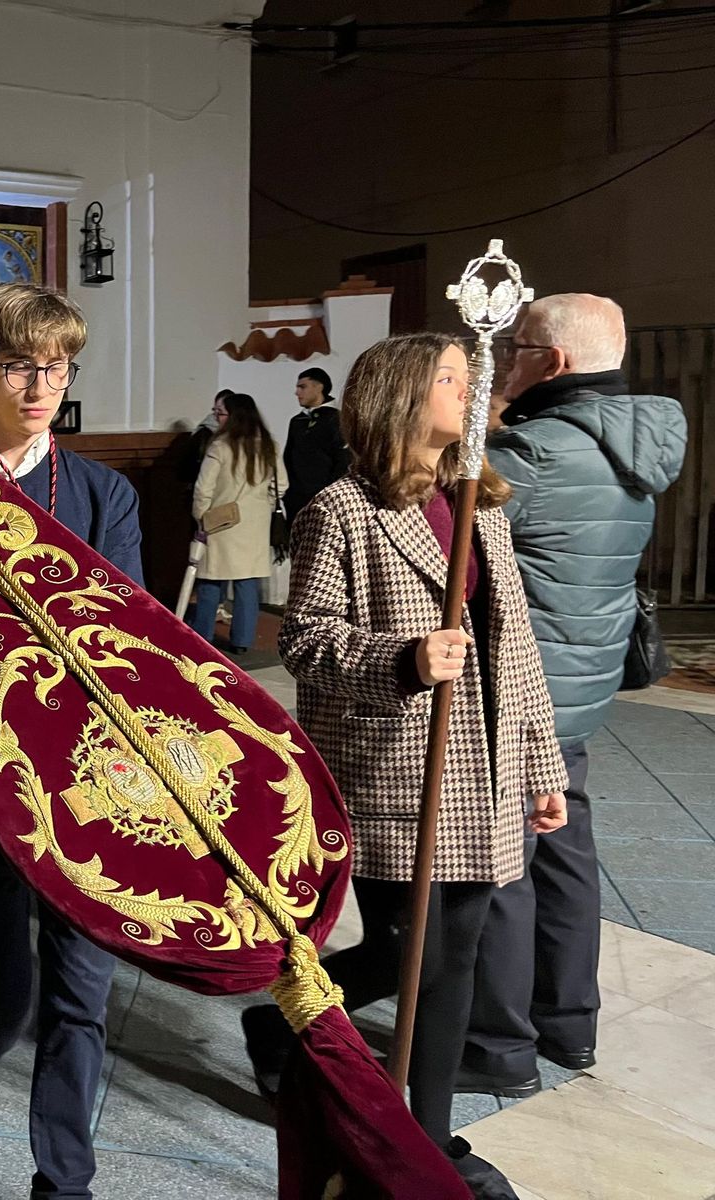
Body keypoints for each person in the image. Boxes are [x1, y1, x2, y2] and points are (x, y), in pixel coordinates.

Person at [243, 332, 571, 1199]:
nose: (470, 391)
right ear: (398, 395)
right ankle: (297, 1034)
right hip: (398, 767)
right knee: (406, 952)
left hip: (485, 760)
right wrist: (401, 658)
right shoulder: (343, 510)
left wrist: (542, 766)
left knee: (455, 952)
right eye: (451, 379)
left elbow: (518, 648)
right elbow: (307, 641)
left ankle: (427, 1134)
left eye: (472, 379)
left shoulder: (480, 503)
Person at [0, 283, 142, 1200]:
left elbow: (124, 637)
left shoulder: (101, 492)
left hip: (86, 778)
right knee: (1, 1000)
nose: (43, 385)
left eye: (58, 366)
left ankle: (64, 1183)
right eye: (20, 366)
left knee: (80, 997)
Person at [461, 295, 686, 1094]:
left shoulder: (537, 452)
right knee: (565, 853)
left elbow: (439, 523)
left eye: (513, 347)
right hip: (584, 682)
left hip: (523, 690)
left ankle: (498, 1048)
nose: (501, 360)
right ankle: (568, 1026)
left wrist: (481, 417)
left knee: (501, 867)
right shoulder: (637, 440)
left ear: (550, 362)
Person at [187, 391, 287, 656]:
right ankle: (242, 641)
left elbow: (203, 489)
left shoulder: (220, 446)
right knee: (246, 584)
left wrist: (201, 517)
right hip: (255, 524)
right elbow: (282, 485)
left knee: (210, 581)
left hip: (221, 521)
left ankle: (203, 637)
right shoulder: (269, 444)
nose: (216, 418)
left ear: (233, 416)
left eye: (220, 413)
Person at [283, 366, 350, 523]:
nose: (297, 392)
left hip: (324, 499)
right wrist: (289, 494)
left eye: (302, 387)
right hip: (296, 500)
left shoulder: (336, 419)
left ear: (319, 387)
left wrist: (327, 494)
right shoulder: (297, 422)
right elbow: (289, 458)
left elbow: (343, 460)